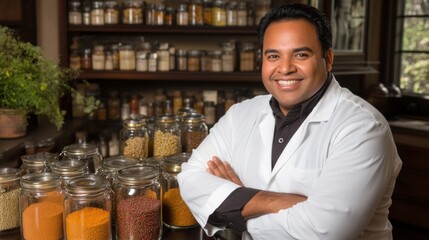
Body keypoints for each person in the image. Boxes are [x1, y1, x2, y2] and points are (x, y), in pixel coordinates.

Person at [177, 3, 402, 240]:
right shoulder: (240, 114)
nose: (285, 68)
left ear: (328, 59)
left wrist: (234, 203)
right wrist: (280, 202)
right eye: (273, 55)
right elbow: (190, 179)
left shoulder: (363, 127)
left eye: (300, 54)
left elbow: (326, 231)